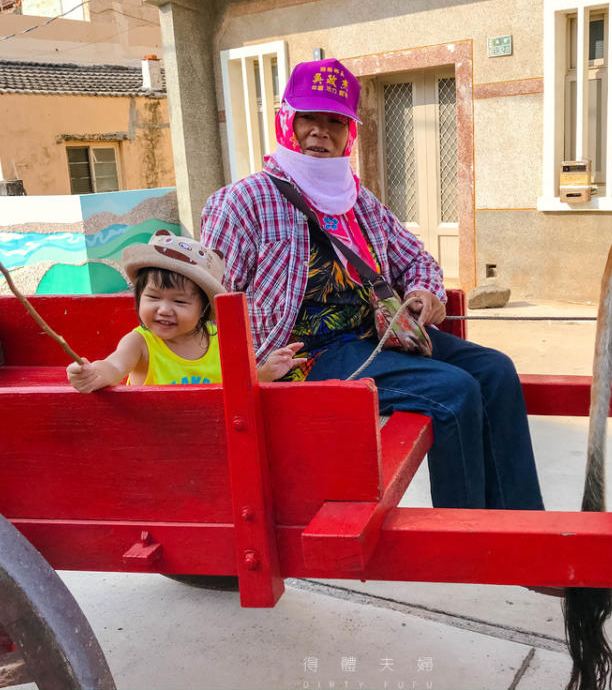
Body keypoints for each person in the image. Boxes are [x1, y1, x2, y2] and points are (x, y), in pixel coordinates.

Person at [202, 58, 545, 512]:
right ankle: (463, 535)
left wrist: (424, 293)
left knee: (495, 370)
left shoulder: (357, 200)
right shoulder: (243, 202)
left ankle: (519, 522)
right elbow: (209, 298)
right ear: (288, 121)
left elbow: (416, 260)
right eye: (309, 118)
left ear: (350, 133)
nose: (320, 132)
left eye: (335, 121)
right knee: (454, 390)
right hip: (305, 358)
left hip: (377, 338)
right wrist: (245, 374)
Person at [66, 230, 303, 392]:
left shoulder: (221, 339)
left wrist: (266, 373)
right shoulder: (140, 342)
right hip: (153, 447)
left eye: (180, 302)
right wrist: (93, 373)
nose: (164, 309)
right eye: (153, 297)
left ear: (204, 309)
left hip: (210, 441)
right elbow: (115, 367)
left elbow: (240, 387)